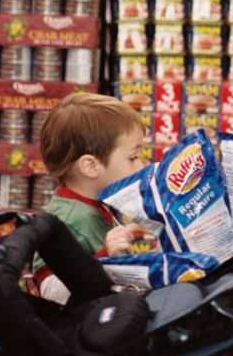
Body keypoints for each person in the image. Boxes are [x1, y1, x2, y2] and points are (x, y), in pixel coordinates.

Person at [33, 92, 149, 303]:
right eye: (133, 158)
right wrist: (105, 259)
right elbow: (52, 292)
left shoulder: (100, 202)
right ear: (91, 166)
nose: (142, 165)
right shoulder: (67, 221)